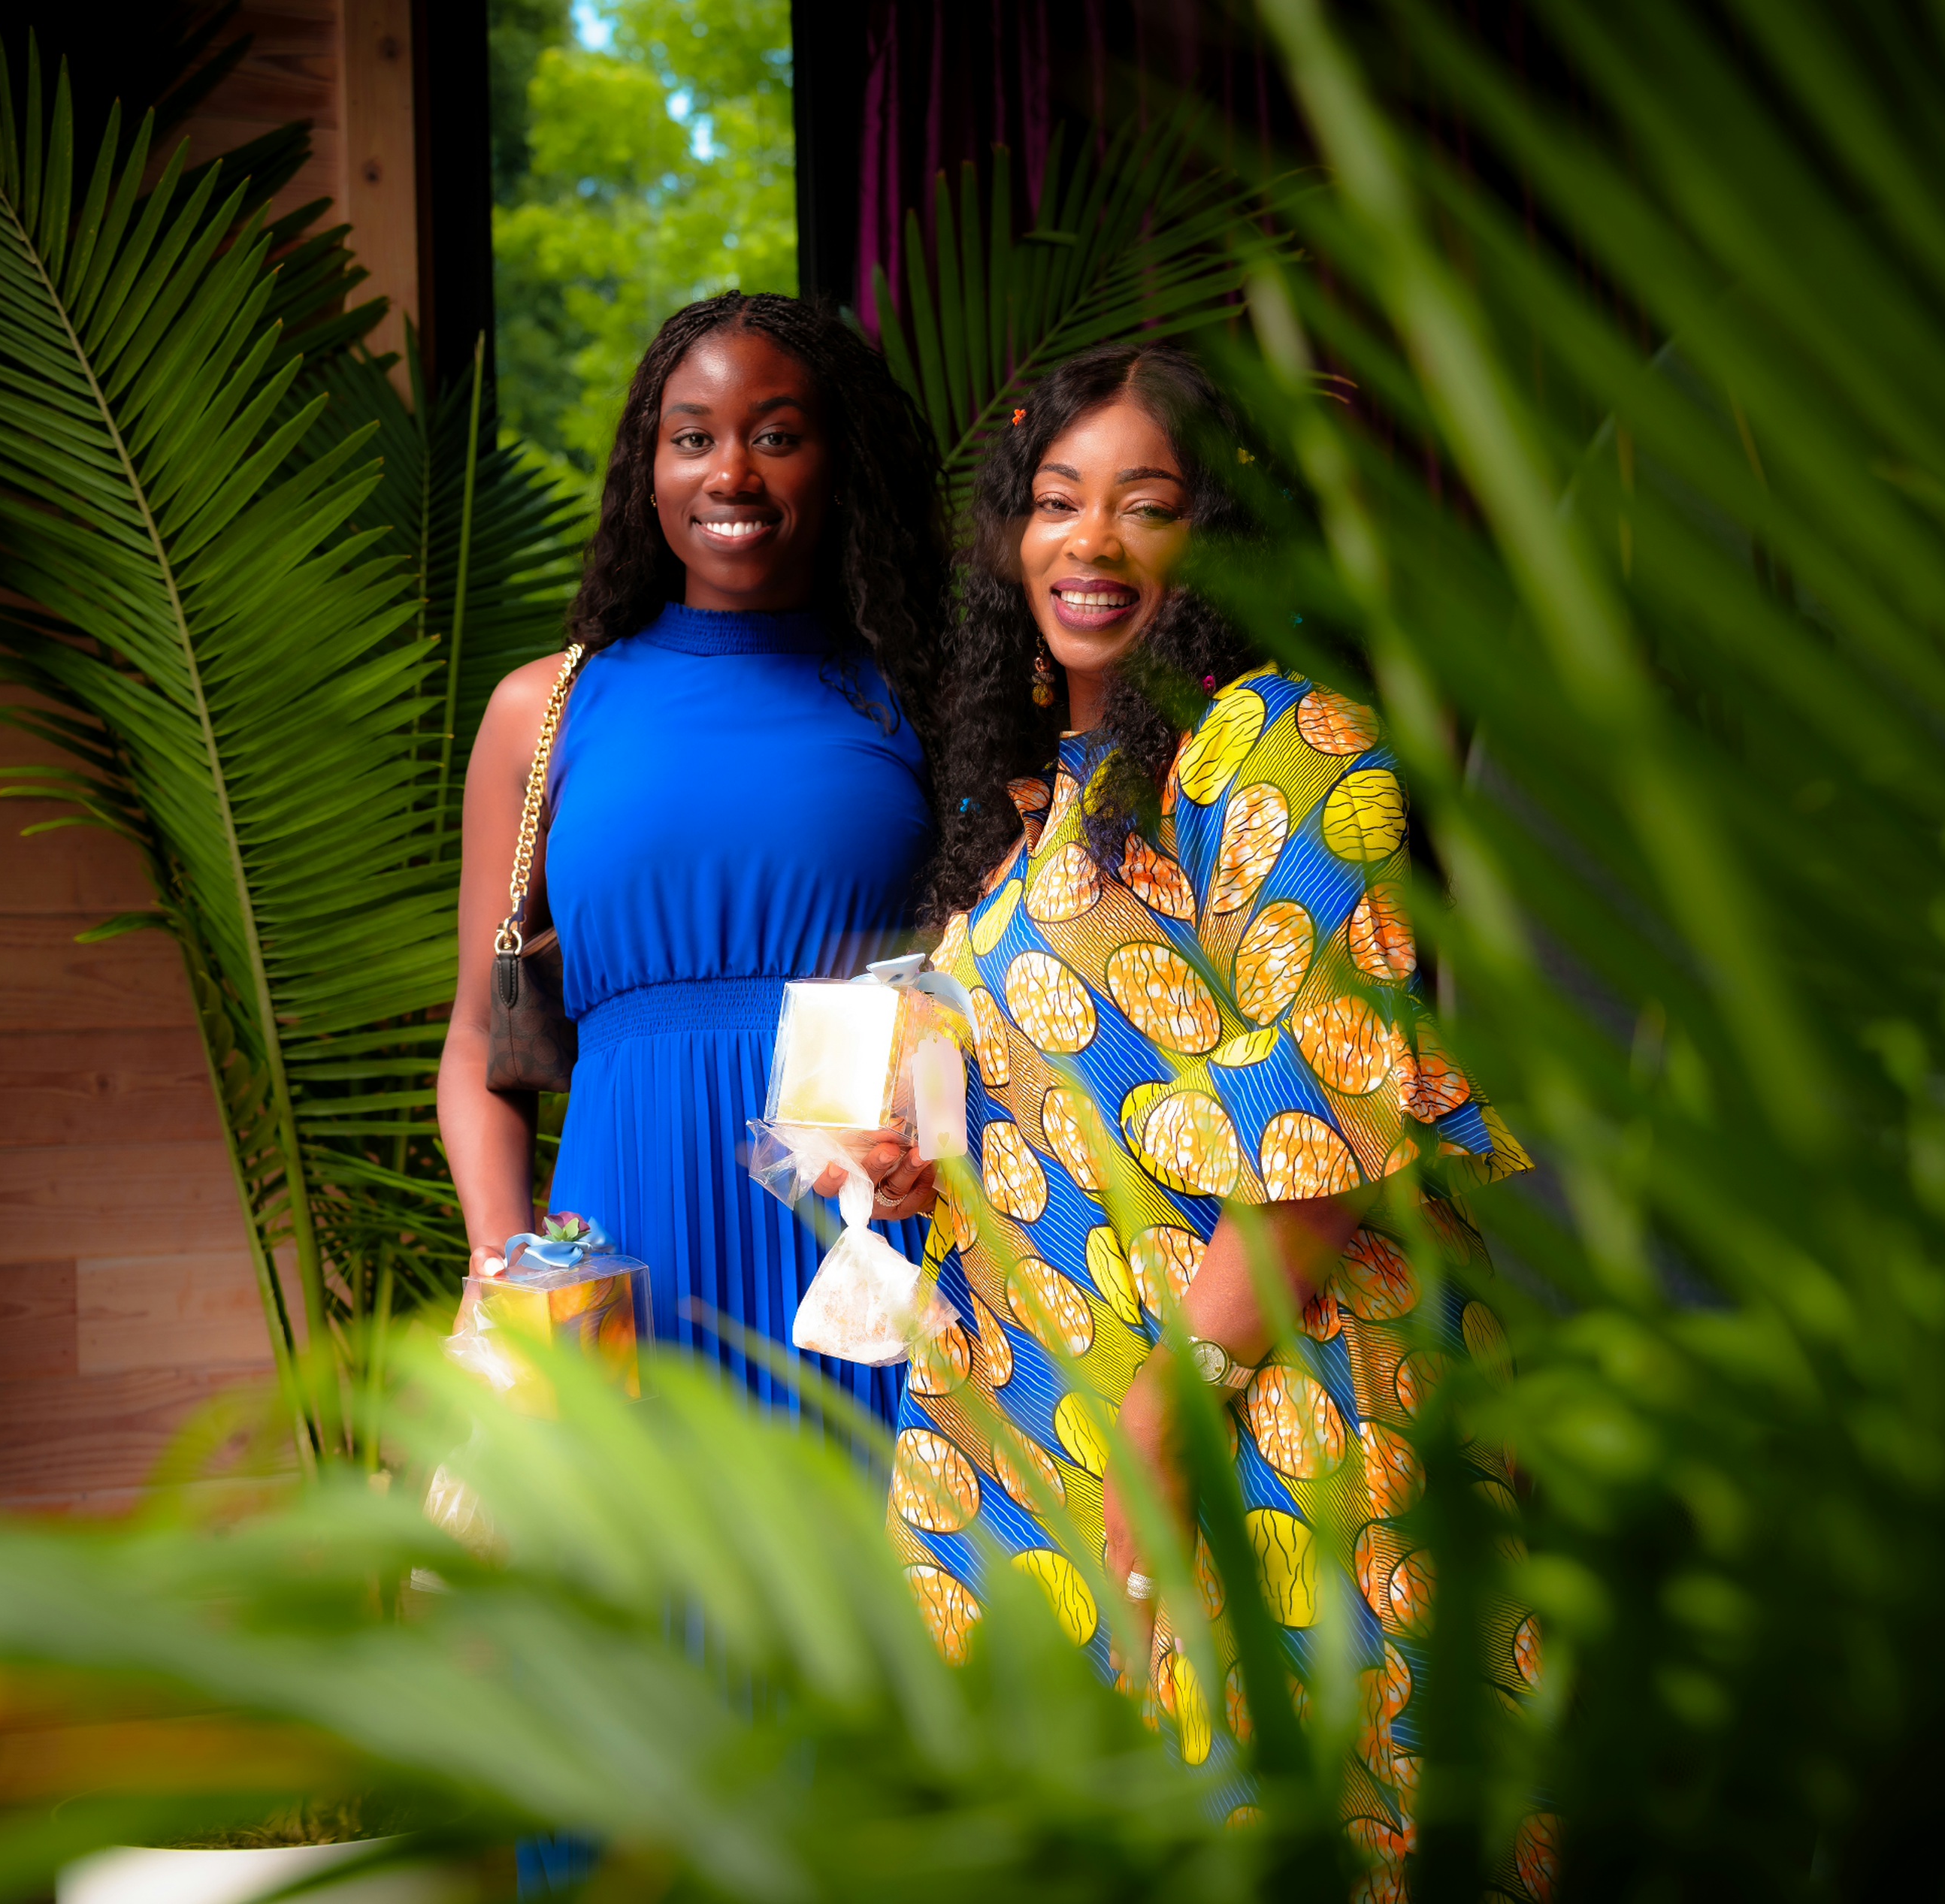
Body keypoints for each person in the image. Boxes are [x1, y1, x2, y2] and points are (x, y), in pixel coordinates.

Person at [876, 341, 1550, 1896]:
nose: (1089, 542)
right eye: (1054, 503)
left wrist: (1168, 1416)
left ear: (1217, 535)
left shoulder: (1288, 744)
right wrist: (918, 1149)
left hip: (1260, 1407)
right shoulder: (1045, 792)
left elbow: (1320, 1130)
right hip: (1043, 1426)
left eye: (1144, 504)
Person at [438, 292, 947, 1427]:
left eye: (775, 435)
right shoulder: (547, 710)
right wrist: (501, 1260)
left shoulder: (919, 702)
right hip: (622, 1255)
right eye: (693, 437)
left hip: (859, 1258)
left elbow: (1001, 997)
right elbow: (481, 1040)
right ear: (648, 469)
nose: (731, 473)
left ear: (840, 461)